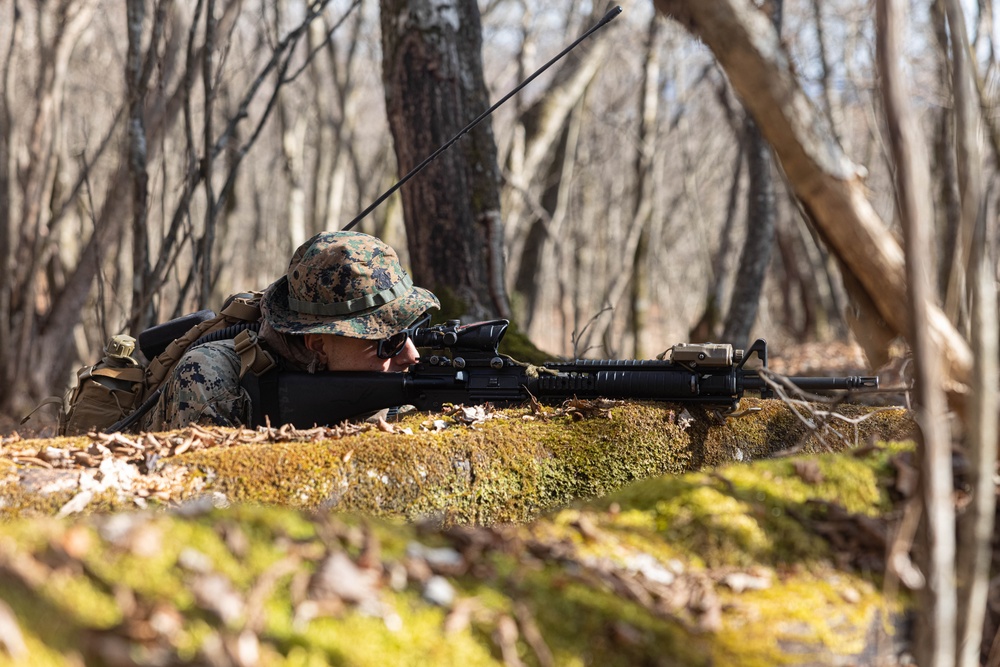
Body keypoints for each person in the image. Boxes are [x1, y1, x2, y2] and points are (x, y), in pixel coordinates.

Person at [144, 231, 440, 430]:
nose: (411, 356)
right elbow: (203, 500)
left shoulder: (374, 377)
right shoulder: (210, 378)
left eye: (411, 330)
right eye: (389, 342)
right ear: (319, 345)